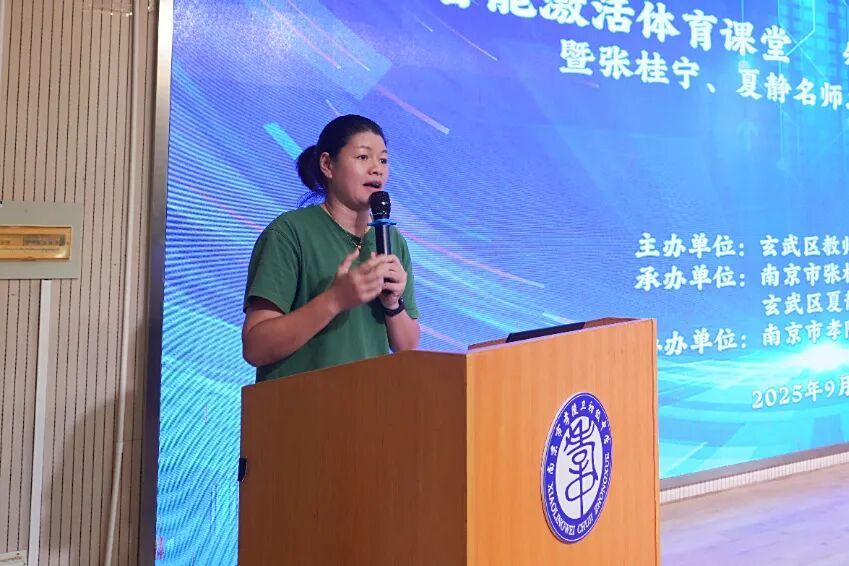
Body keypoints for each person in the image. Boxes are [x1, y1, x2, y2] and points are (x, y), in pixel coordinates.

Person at [241, 115, 420, 381]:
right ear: (327, 164)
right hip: (302, 402)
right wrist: (335, 299)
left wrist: (393, 303)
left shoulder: (391, 239)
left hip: (370, 400)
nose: (377, 169)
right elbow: (256, 347)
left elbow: (407, 345)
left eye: (383, 160)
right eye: (363, 157)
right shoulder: (289, 233)